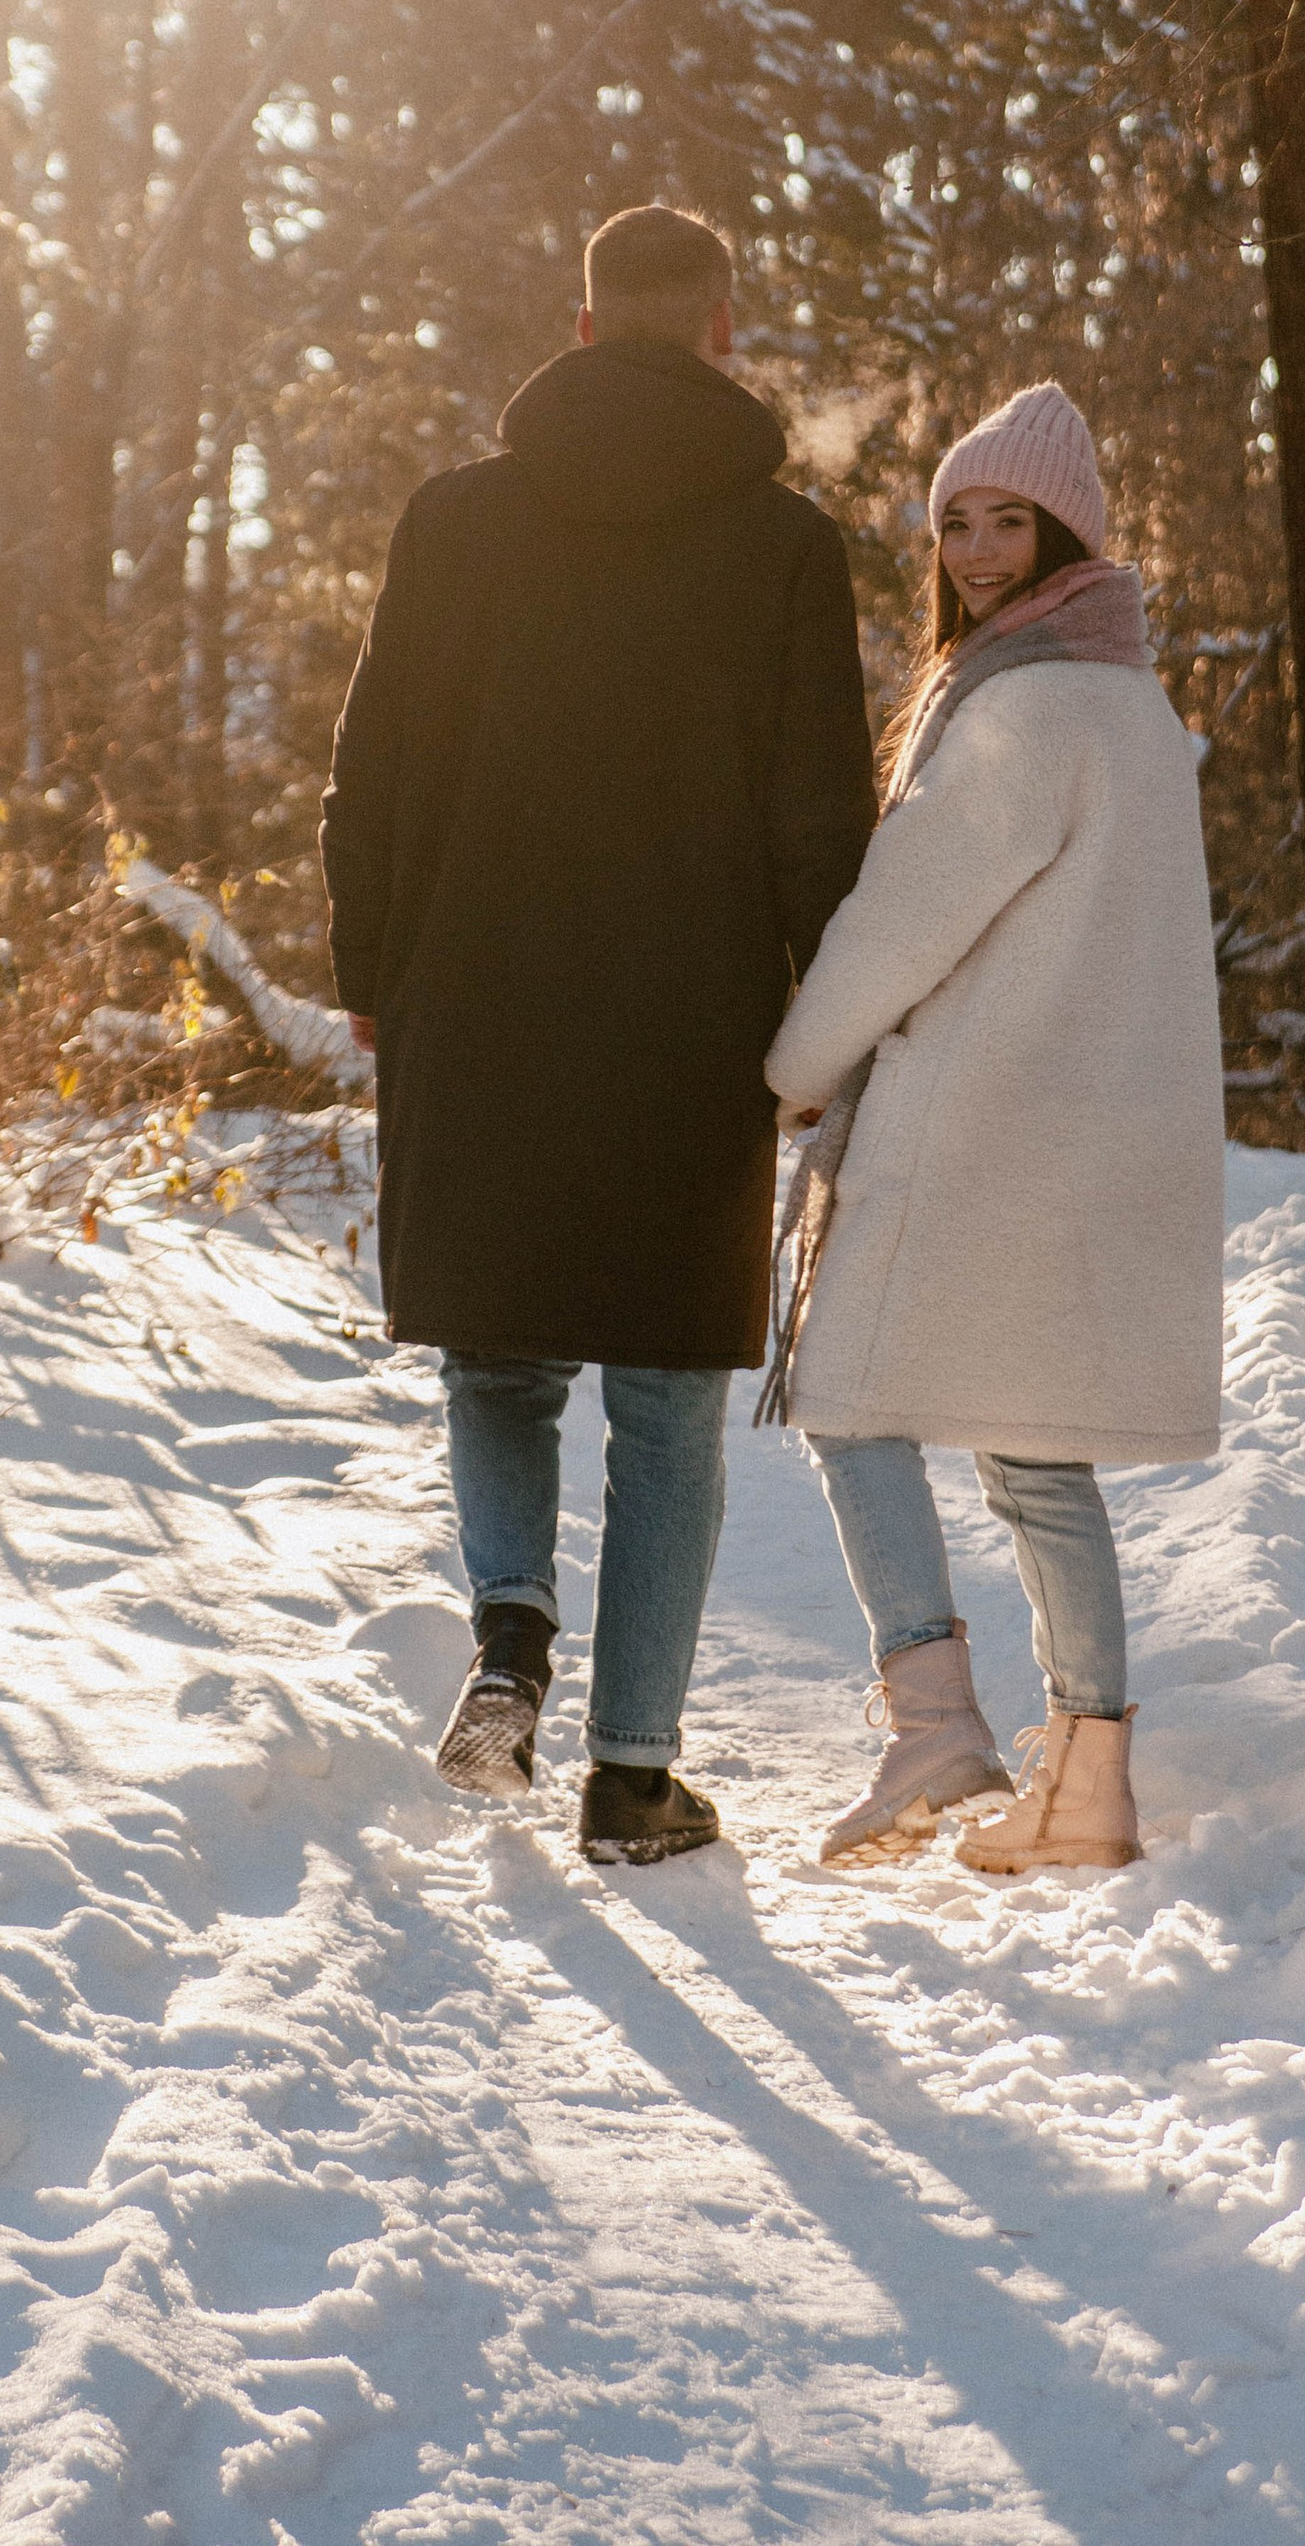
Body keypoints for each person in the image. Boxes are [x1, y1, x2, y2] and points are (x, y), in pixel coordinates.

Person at [321, 208, 877, 1864]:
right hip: (687, 1015)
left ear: (577, 332)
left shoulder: (453, 519)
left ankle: (509, 1640)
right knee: (660, 1406)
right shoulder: (783, 549)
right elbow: (816, 814)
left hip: (473, 989)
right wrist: (824, 1019)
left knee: (497, 1349)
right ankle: (633, 1778)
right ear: (720, 333)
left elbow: (375, 763)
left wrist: (375, 967)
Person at [763, 380, 1224, 1875]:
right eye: (954, 519)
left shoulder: (1025, 705)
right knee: (1036, 1458)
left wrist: (801, 1063)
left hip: (984, 1121)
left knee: (845, 1398)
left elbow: (910, 915)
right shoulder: (1129, 700)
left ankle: (935, 1727)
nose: (970, 547)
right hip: (1080, 1129)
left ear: (1064, 527)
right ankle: (1086, 1784)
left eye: (1003, 518)